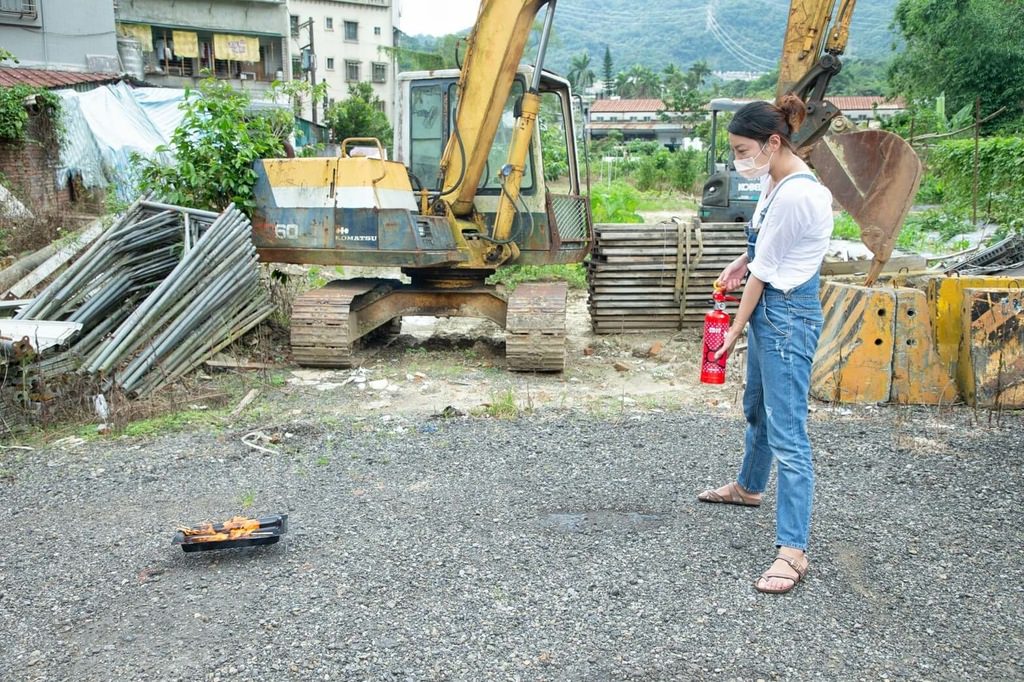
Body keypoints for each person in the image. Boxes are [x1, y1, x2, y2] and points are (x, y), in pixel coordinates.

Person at [696, 95, 833, 595]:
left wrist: (733, 329)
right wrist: (738, 262)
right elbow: (763, 247)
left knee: (788, 431)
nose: (738, 158)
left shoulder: (801, 193)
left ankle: (792, 551)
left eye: (742, 148)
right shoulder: (774, 180)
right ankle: (749, 488)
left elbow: (768, 272)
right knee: (755, 407)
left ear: (773, 142)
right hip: (770, 304)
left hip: (786, 315)